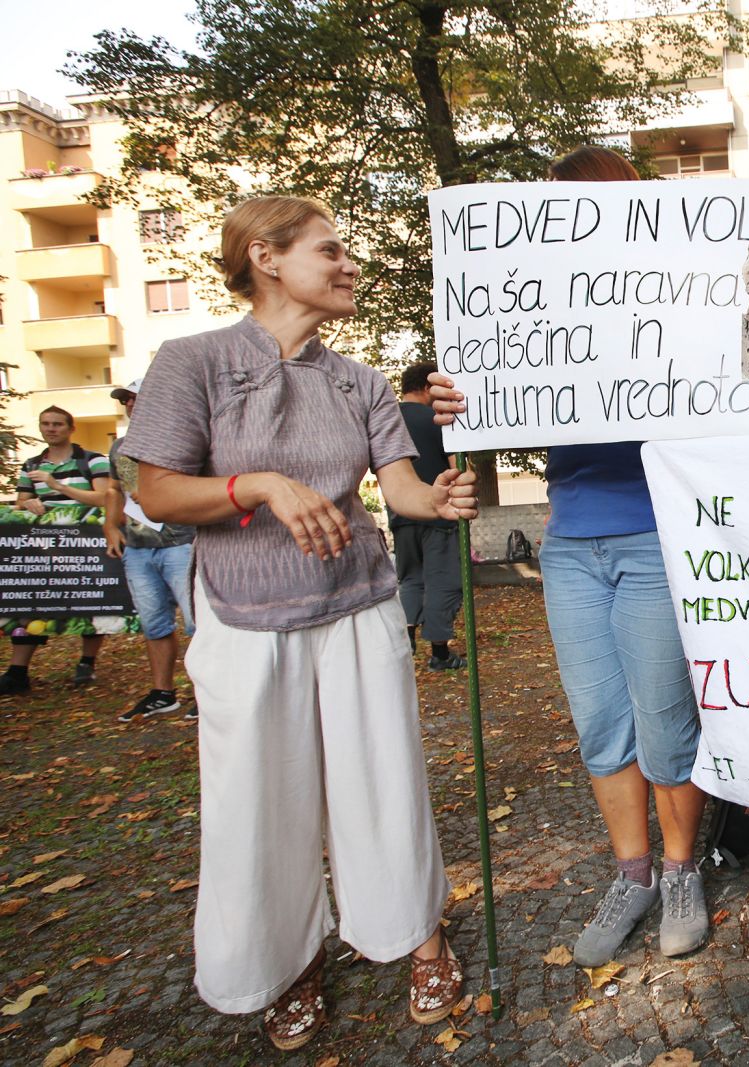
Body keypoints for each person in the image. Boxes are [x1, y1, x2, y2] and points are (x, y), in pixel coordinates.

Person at [120, 195, 479, 1050]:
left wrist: (438, 496)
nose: (349, 264)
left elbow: (397, 489)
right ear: (265, 257)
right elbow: (156, 490)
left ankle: (418, 938)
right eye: (332, 249)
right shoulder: (191, 361)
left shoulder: (358, 381)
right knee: (258, 804)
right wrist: (258, 485)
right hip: (244, 624)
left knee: (383, 783)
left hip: (357, 610)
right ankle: (286, 962)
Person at [430, 146, 711, 968]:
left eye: (587, 202)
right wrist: (461, 397)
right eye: (560, 204)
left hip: (657, 531)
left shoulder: (676, 289)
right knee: (599, 723)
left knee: (665, 717)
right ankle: (633, 875)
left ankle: (682, 868)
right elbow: (499, 391)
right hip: (570, 543)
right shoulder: (532, 302)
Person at [105, 378, 199, 721]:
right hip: (138, 549)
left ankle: (207, 694)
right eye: (125, 400)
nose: (130, 404)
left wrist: (164, 493)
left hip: (181, 543)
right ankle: (163, 694)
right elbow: (115, 490)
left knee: (197, 624)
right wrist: (109, 526)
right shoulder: (119, 447)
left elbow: (202, 483)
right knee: (154, 624)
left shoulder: (183, 437)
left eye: (136, 398)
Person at [1, 406, 113, 694]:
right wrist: (28, 504)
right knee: (32, 601)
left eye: (57, 424)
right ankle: (17, 671)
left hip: (86, 542)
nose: (51, 429)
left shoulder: (94, 461)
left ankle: (86, 663)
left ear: (70, 428)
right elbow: (20, 503)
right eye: (46, 424)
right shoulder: (31, 465)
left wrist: (56, 486)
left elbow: (104, 498)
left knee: (89, 603)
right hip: (43, 546)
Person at [390, 360, 465, 671]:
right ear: (426, 386)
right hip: (438, 512)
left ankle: (404, 640)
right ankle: (439, 652)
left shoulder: (387, 416)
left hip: (400, 512)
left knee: (410, 579)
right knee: (442, 580)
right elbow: (456, 467)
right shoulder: (440, 418)